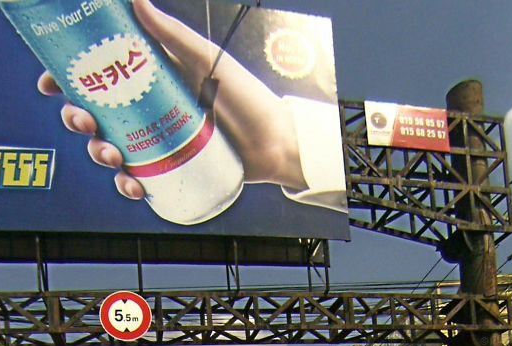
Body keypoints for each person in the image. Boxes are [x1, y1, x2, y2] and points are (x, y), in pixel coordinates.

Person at [35, 0, 345, 215]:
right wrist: (279, 145)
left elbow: (208, 82)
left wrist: (281, 142)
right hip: (175, 184)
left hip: (209, 155)